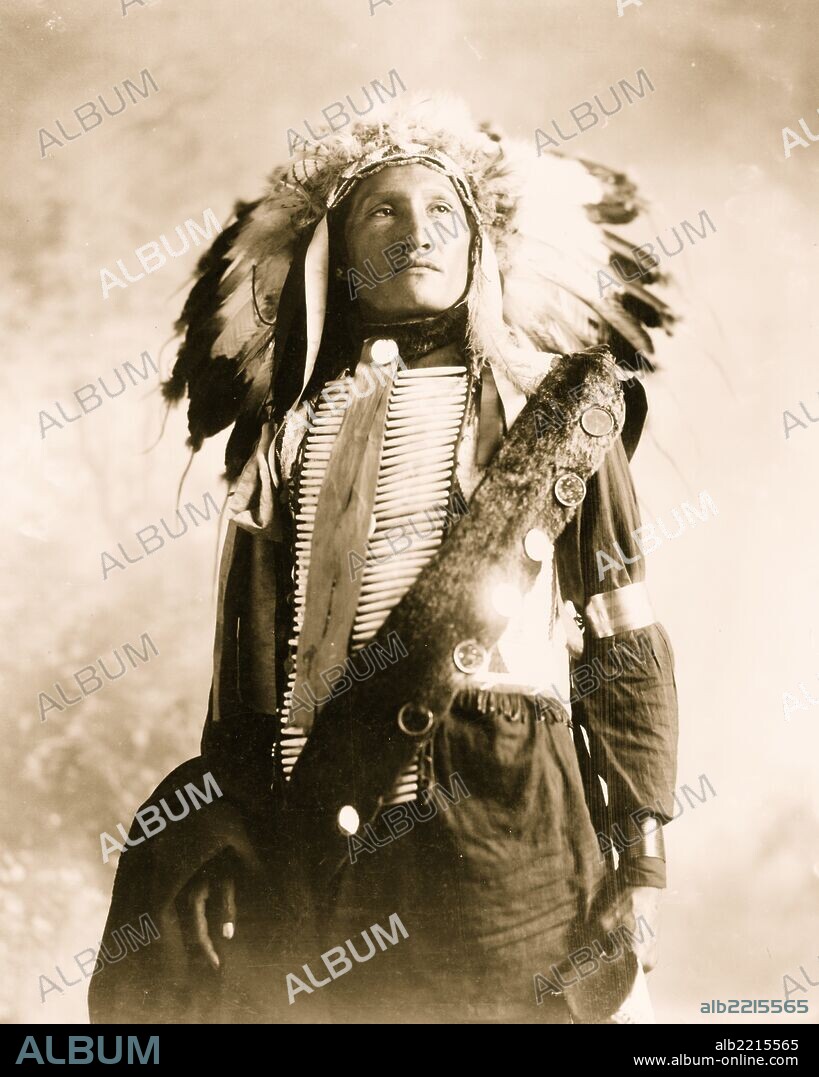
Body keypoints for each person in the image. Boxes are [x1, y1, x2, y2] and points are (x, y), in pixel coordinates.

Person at [89, 96, 678, 1024]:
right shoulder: (289, 438)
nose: (418, 231)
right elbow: (244, 678)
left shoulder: (556, 413)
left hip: (507, 817)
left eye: (443, 210)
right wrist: (226, 826)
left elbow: (624, 640)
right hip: (320, 817)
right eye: (383, 210)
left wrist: (640, 846)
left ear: (481, 244)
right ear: (335, 254)